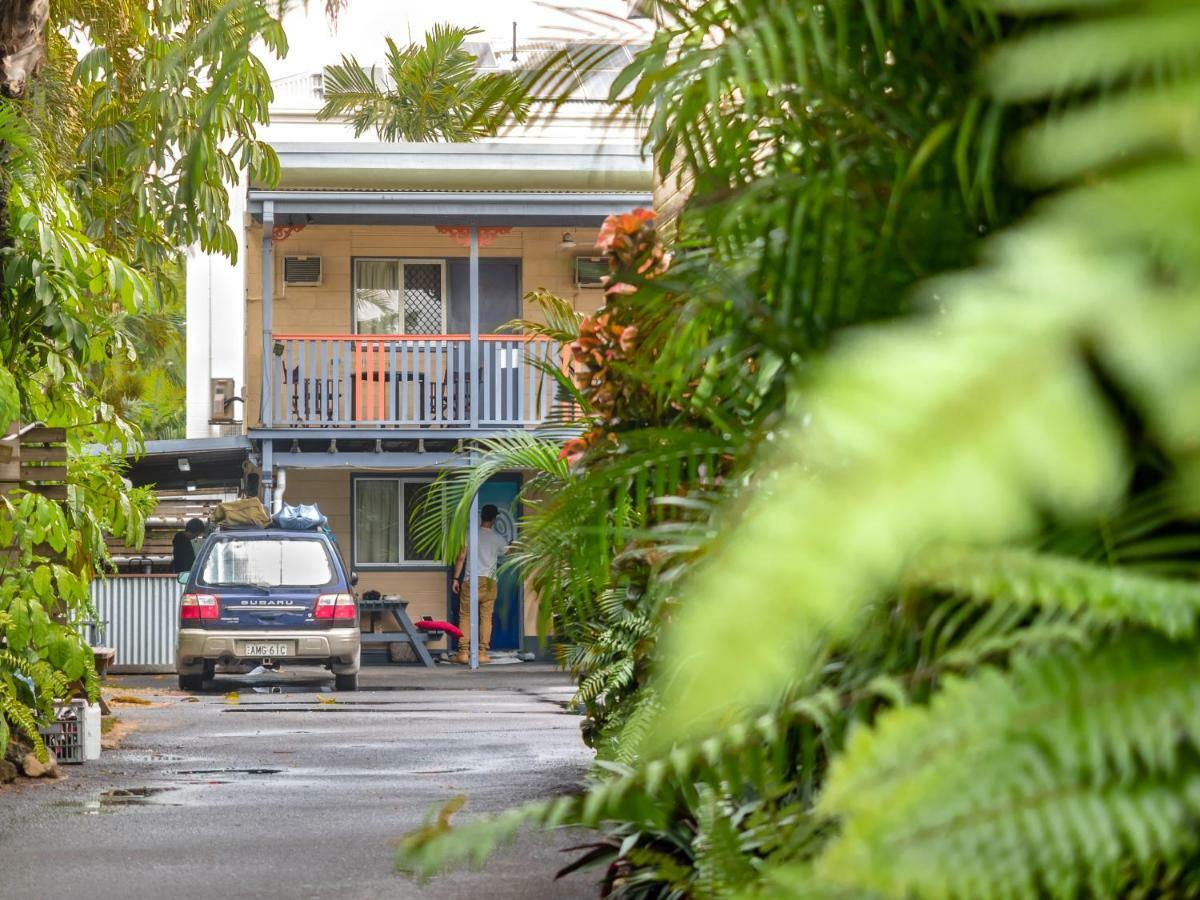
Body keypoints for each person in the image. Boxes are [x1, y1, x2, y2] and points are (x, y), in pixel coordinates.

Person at [450, 504, 510, 665]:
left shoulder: (470, 535)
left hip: (471, 580)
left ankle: (463, 653)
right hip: (490, 582)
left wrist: (455, 578)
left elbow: (461, 558)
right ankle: (482, 653)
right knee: (486, 617)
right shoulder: (498, 539)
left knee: (465, 615)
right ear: (494, 519)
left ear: (481, 517)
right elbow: (509, 552)